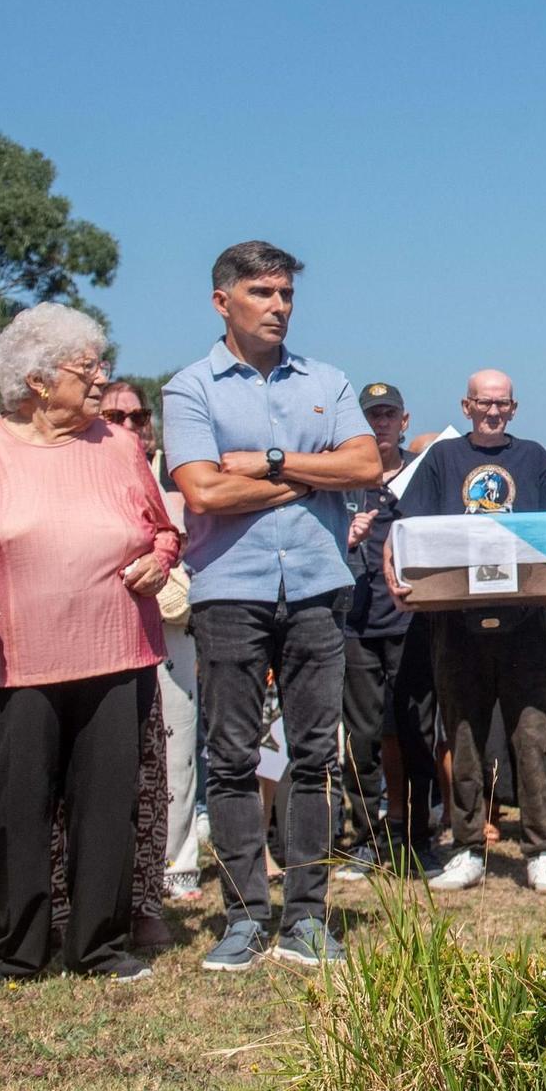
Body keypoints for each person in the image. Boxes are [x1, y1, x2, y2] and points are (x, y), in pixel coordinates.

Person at [163, 241, 382, 971]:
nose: (279, 306)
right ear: (222, 301)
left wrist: (274, 461)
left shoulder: (327, 380)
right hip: (230, 589)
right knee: (231, 757)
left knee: (315, 756)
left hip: (317, 586)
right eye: (262, 292)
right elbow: (203, 491)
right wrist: (310, 480)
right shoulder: (190, 388)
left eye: (286, 293)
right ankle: (245, 917)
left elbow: (366, 465)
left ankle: (307, 916)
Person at [0, 305, 180, 985]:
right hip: (19, 657)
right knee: (18, 806)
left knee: (106, 803)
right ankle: (18, 948)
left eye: (100, 365)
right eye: (86, 367)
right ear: (36, 380)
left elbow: (162, 530)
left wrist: (160, 559)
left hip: (117, 650)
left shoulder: (118, 446)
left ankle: (98, 945)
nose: (100, 379)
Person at [386, 368, 546, 894]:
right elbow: (406, 528)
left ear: (513, 408)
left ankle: (541, 851)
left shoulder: (533, 457)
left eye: (502, 403)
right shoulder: (442, 459)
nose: (493, 411)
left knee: (534, 737)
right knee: (464, 737)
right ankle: (468, 847)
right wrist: (393, 567)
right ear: (466, 406)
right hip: (456, 624)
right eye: (483, 402)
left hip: (526, 623)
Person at [102, 377, 202, 930]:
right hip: (103, 631)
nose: (128, 426)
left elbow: (189, 539)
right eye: (115, 416)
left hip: (173, 628)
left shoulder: (172, 473)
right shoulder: (87, 466)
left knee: (176, 751)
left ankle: (176, 866)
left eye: (137, 416)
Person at [332, 382, 439, 878]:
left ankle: (418, 840)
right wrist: (345, 537)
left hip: (411, 623)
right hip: (356, 625)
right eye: (371, 415)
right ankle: (365, 840)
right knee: (361, 742)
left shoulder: (421, 478)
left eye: (388, 415)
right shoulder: (342, 477)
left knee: (416, 735)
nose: (380, 423)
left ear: (404, 421)